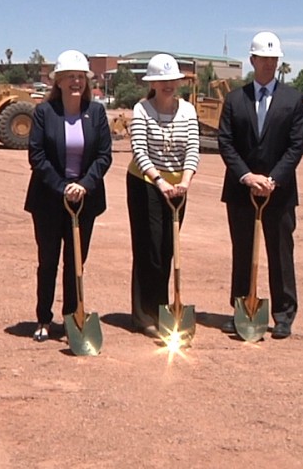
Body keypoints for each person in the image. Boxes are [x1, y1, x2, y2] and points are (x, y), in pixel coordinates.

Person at [218, 31, 303, 339]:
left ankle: (283, 314)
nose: (268, 64)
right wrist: (247, 176)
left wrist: (273, 179)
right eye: (263, 59)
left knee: (280, 252)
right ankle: (241, 307)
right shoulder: (234, 99)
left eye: (274, 60)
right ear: (252, 60)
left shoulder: (293, 100)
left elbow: (296, 146)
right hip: (241, 191)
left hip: (279, 193)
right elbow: (226, 143)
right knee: (242, 250)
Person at [24, 49, 112, 342]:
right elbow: (36, 156)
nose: (76, 82)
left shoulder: (96, 113)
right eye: (70, 77)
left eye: (81, 77)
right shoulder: (44, 113)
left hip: (84, 199)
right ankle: (43, 319)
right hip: (49, 199)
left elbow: (103, 156)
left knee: (76, 261)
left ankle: (73, 315)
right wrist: (62, 187)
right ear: (58, 82)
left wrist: (83, 185)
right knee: (47, 260)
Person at [127, 53, 200, 337]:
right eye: (162, 80)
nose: (168, 85)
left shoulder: (188, 110)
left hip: (178, 186)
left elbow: (193, 148)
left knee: (169, 248)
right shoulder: (142, 109)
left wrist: (184, 182)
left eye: (172, 80)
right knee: (149, 247)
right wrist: (160, 182)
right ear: (153, 84)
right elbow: (139, 150)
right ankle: (143, 312)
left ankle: (162, 308)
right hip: (145, 182)